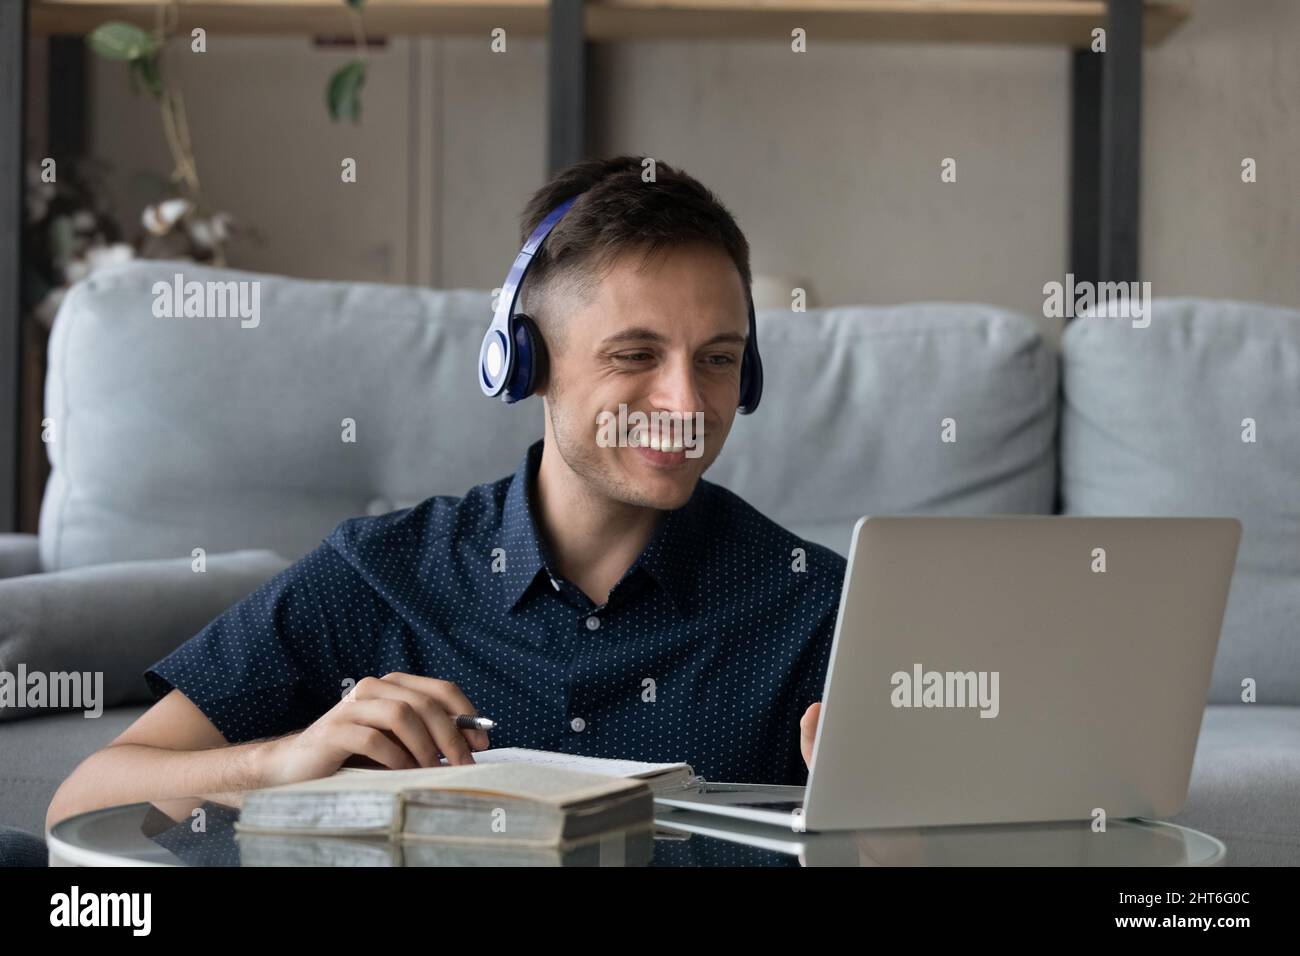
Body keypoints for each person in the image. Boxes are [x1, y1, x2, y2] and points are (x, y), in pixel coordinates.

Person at [46, 155, 846, 832]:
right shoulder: (376, 575)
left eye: (716, 359)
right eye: (635, 355)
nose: (686, 404)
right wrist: (284, 764)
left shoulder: (821, 607)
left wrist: (874, 831)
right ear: (524, 364)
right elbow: (82, 804)